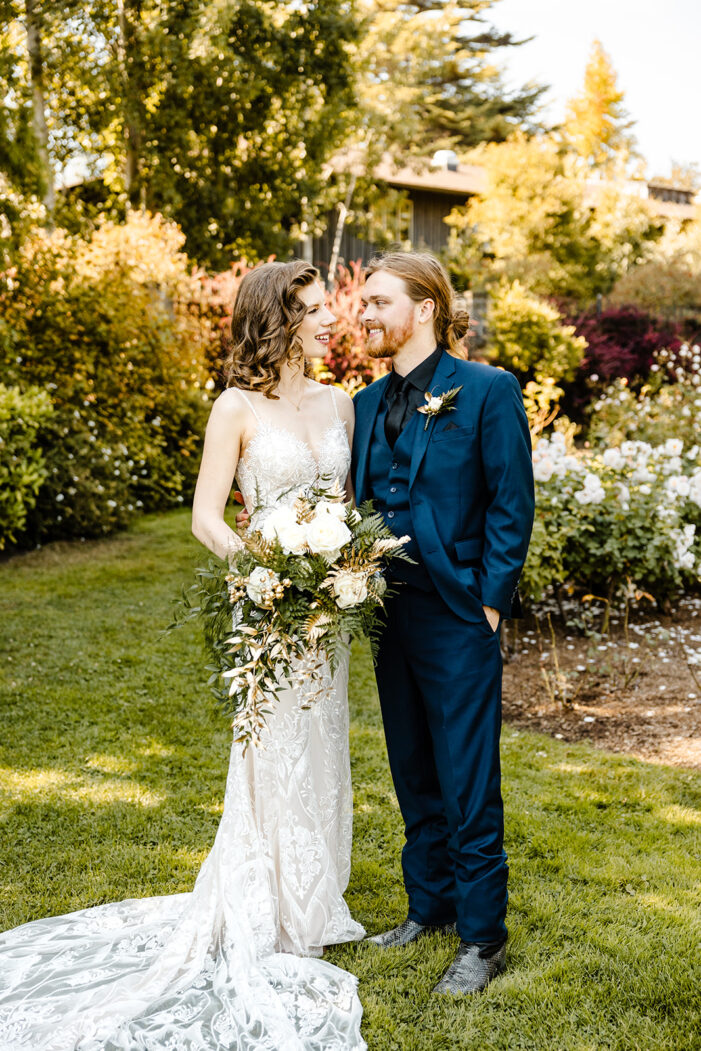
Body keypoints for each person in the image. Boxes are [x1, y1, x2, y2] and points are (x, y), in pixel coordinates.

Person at [0, 261, 366, 1050]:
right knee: (271, 739)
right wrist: (260, 574)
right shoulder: (235, 406)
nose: (328, 319)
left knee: (323, 738)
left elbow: (348, 506)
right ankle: (268, 898)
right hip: (267, 600)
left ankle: (315, 897)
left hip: (326, 606)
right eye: (311, 309)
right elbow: (205, 515)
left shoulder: (342, 402)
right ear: (277, 318)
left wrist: (343, 572)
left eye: (327, 307)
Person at [352, 251, 534, 994]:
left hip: (458, 612)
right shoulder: (365, 402)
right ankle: (426, 906)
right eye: (362, 302)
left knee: (467, 777)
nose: (362, 313)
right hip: (385, 614)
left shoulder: (487, 390)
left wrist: (488, 602)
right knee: (412, 767)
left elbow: (509, 501)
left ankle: (482, 937)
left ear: (423, 307)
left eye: (376, 301)